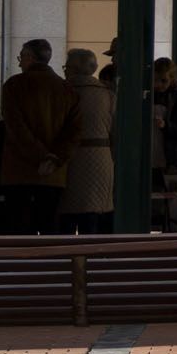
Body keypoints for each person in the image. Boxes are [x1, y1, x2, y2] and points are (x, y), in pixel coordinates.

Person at [0, 37, 75, 235]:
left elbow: (16, 128)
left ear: (29, 57)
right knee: (50, 227)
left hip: (19, 171)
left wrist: (41, 155)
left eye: (21, 57)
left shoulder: (14, 86)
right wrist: (53, 158)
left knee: (19, 231)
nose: (19, 62)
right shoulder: (67, 90)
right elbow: (73, 132)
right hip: (53, 174)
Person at [58, 46, 115, 234]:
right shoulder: (107, 94)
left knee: (65, 216)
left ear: (73, 69)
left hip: (69, 158)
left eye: (66, 67)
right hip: (101, 159)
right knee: (92, 214)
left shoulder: (63, 91)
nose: (64, 70)